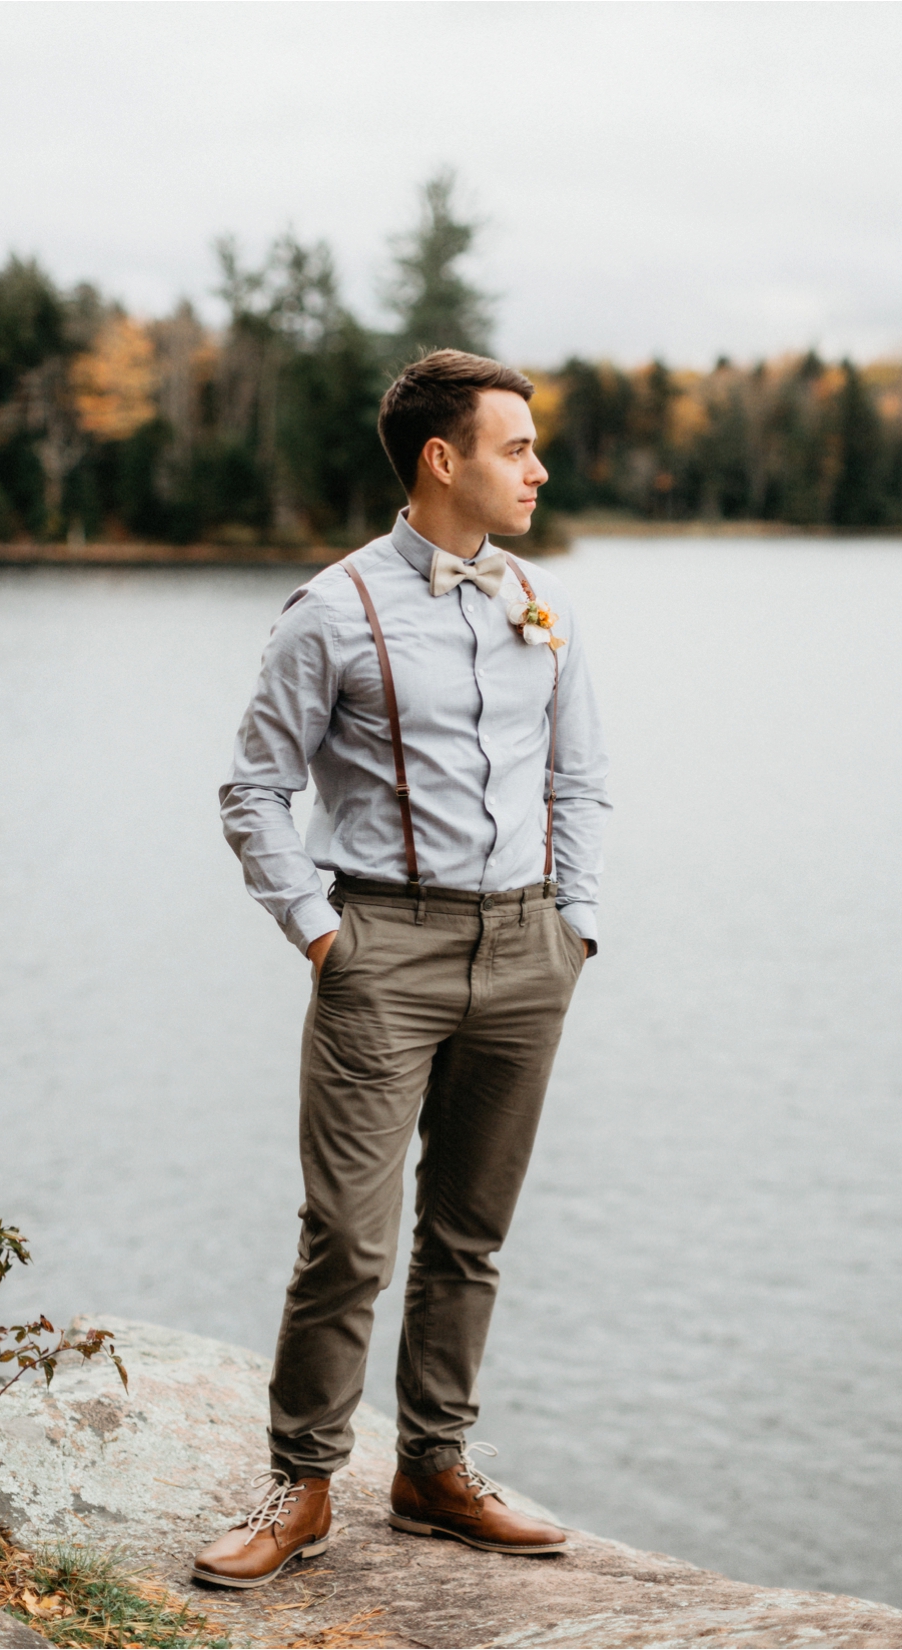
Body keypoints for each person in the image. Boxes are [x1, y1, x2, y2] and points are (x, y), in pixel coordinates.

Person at [194, 349, 610, 1588]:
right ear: (444, 461)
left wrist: (573, 927)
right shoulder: (332, 609)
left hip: (525, 949)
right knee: (349, 1238)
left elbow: (578, 777)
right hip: (383, 949)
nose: (536, 466)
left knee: (469, 1233)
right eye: (515, 447)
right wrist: (322, 933)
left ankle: (434, 1468)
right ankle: (303, 1485)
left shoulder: (542, 600)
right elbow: (252, 790)